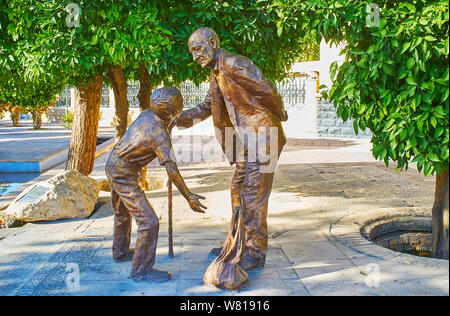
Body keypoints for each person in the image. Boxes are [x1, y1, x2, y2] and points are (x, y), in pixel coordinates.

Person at [174, 27, 287, 270]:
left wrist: (279, 117)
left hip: (263, 137)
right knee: (238, 189)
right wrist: (175, 118)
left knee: (253, 196)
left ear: (212, 42)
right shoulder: (216, 73)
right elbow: (206, 108)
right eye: (192, 52)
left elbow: (267, 89)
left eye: (197, 50)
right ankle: (237, 243)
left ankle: (255, 253)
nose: (195, 57)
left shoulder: (235, 64)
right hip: (249, 141)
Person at [105, 87, 207, 282]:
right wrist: (188, 196)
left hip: (114, 163)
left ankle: (120, 251)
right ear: (172, 112)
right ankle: (141, 271)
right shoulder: (159, 135)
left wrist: (205, 108)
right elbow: (172, 170)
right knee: (149, 221)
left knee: (122, 212)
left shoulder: (149, 113)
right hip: (123, 173)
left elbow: (182, 118)